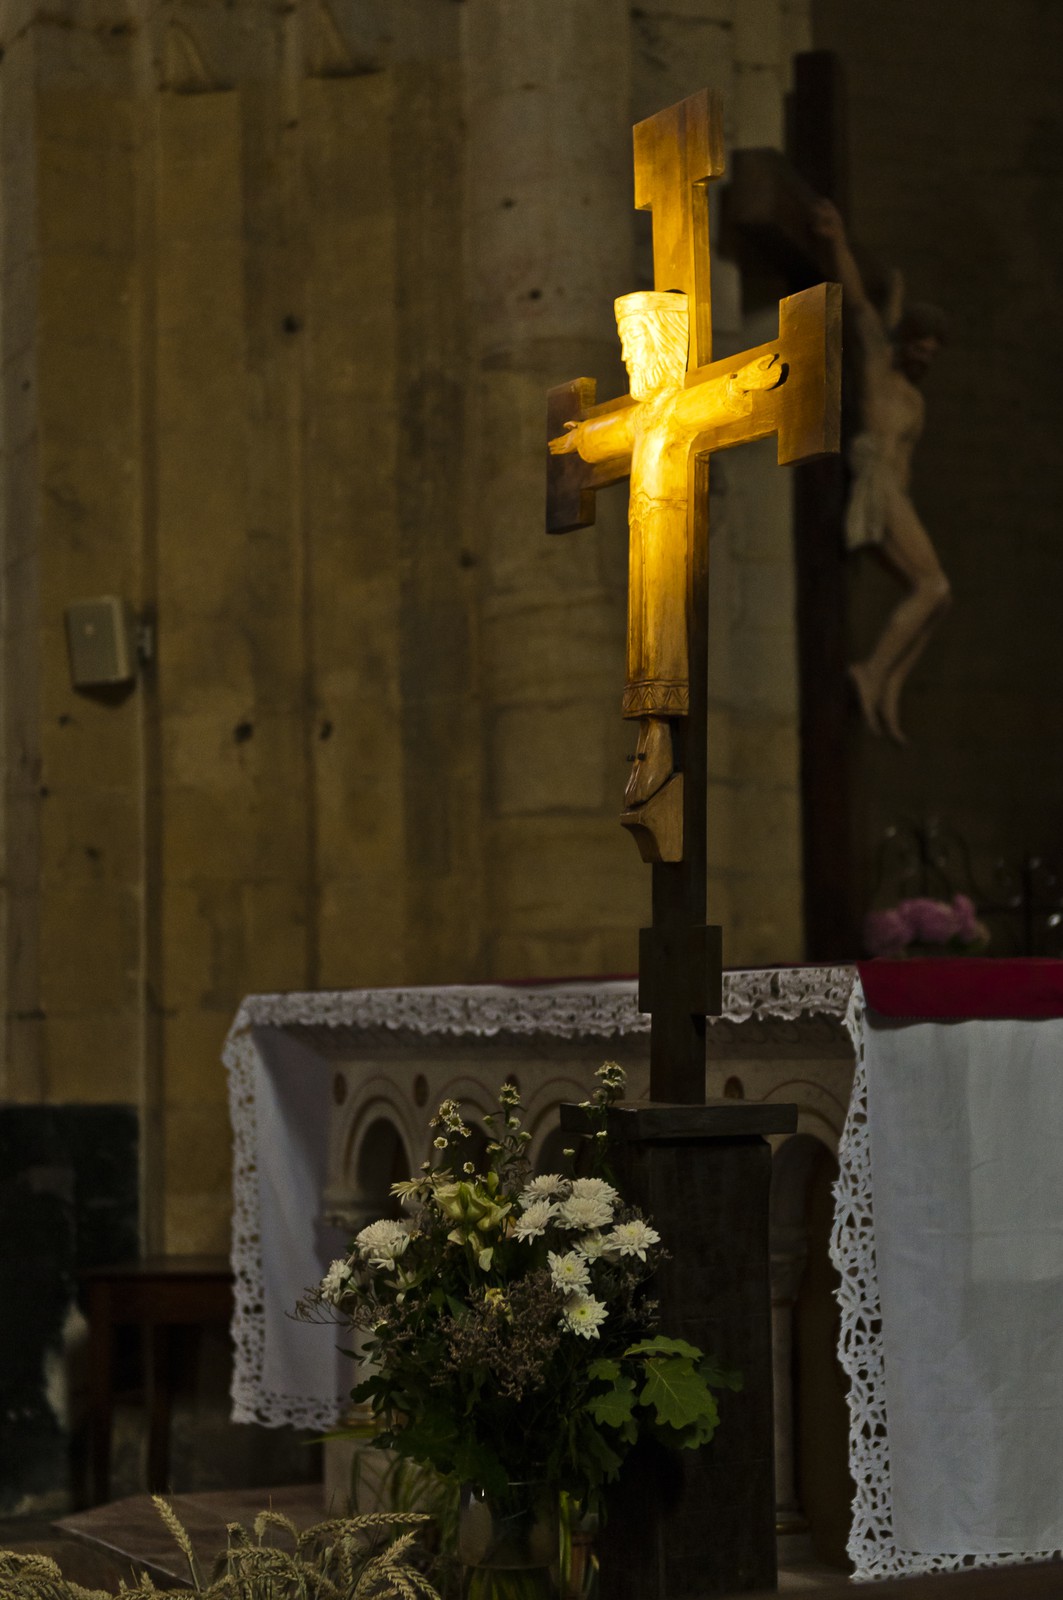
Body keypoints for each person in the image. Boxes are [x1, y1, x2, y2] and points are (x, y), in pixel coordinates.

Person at [549, 290, 781, 813]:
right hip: (642, 544)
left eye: (635, 347)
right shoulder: (638, 418)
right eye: (626, 349)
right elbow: (598, 436)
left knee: (662, 640)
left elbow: (721, 395)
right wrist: (577, 440)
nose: (629, 358)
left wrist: (744, 382)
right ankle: (646, 746)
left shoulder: (676, 408)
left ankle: (658, 744)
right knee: (641, 637)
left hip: (671, 537)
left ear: (661, 346)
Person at [813, 198, 950, 744]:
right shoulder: (876, 361)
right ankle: (870, 673)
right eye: (919, 348)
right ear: (905, 341)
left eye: (932, 355)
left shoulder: (914, 400)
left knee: (941, 595)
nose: (924, 360)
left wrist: (896, 297)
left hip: (897, 496)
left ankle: (888, 684)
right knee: (934, 585)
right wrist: (836, 239)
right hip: (876, 486)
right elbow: (864, 310)